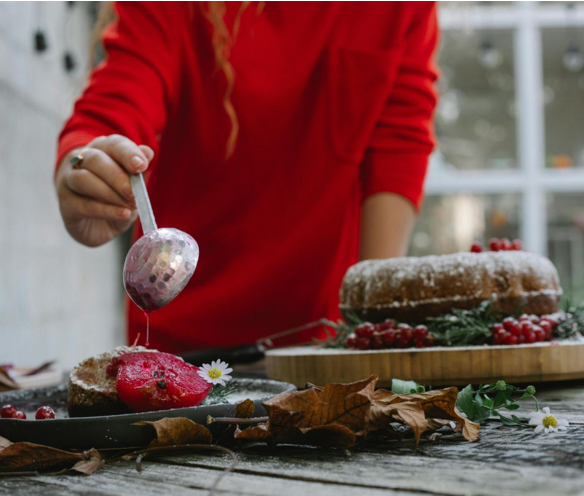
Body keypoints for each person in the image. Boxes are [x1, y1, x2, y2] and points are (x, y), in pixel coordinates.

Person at [54, 2, 439, 354]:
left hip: (324, 338)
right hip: (180, 333)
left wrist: (371, 321)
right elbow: (120, 94)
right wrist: (85, 164)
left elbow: (399, 139)